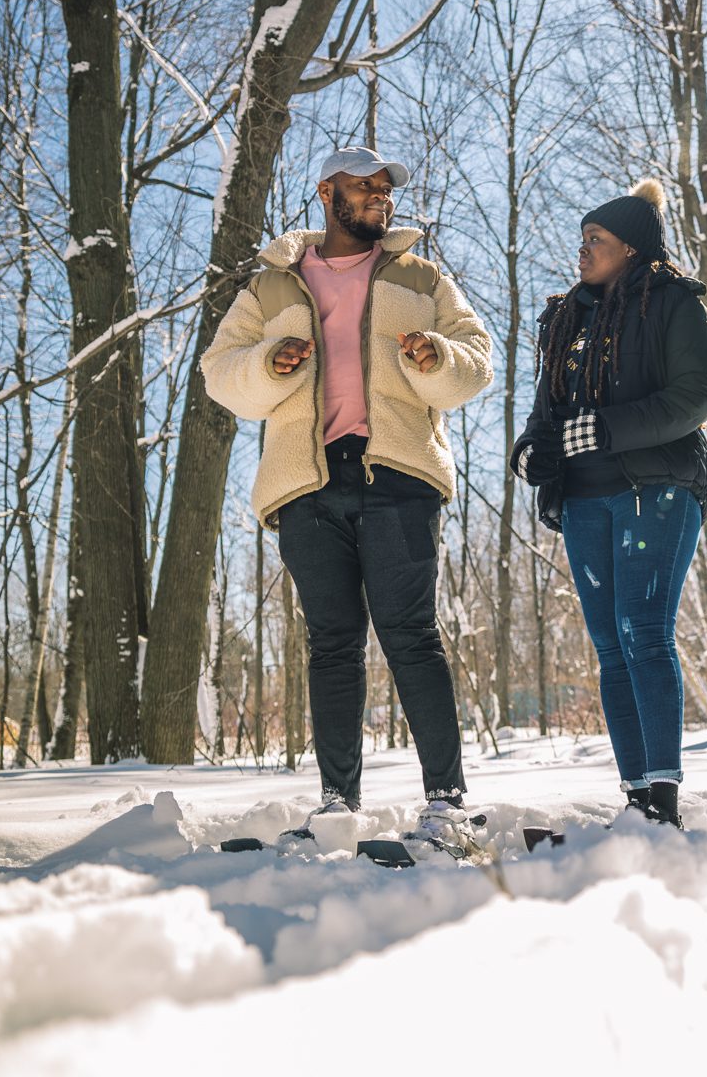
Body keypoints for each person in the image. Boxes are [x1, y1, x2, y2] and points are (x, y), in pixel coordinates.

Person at [201, 146, 494, 857]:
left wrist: (438, 360)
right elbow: (220, 372)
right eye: (365, 189)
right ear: (328, 192)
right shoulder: (272, 285)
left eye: (386, 191)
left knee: (410, 635)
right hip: (305, 486)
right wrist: (268, 363)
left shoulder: (421, 276)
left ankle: (447, 804)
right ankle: (337, 803)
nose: (380, 200)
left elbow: (475, 357)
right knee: (331, 646)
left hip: (396, 476)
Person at [511, 179, 707, 829]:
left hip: (653, 490)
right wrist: (528, 455)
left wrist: (605, 429)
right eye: (581, 241)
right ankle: (635, 801)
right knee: (608, 644)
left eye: (595, 241)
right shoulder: (566, 319)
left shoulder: (673, 303)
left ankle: (663, 799)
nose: (582, 251)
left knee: (644, 632)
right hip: (582, 501)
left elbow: (694, 399)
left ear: (632, 247)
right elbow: (545, 414)